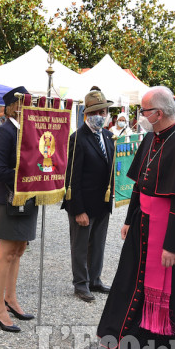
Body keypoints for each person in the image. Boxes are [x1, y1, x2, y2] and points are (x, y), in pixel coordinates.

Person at [97, 86, 175, 349]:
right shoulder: (151, 137)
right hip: (141, 223)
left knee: (160, 289)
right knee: (129, 281)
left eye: (144, 111)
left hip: (166, 232)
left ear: (158, 113)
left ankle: (157, 348)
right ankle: (120, 340)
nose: (141, 116)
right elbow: (140, 184)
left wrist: (174, 245)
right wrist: (129, 218)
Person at [0, 86, 38, 333]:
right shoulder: (5, 132)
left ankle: (11, 299)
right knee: (7, 252)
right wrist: (30, 175)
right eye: (23, 103)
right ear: (12, 107)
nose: (27, 108)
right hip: (8, 199)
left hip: (27, 198)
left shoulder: (30, 130)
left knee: (19, 250)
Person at [61, 86, 115, 302]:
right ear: (86, 115)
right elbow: (72, 178)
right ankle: (81, 284)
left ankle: (95, 279)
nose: (100, 116)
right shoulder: (78, 138)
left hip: (102, 203)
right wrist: (78, 209)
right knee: (81, 245)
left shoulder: (109, 137)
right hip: (83, 203)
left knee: (98, 245)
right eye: (95, 112)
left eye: (103, 112)